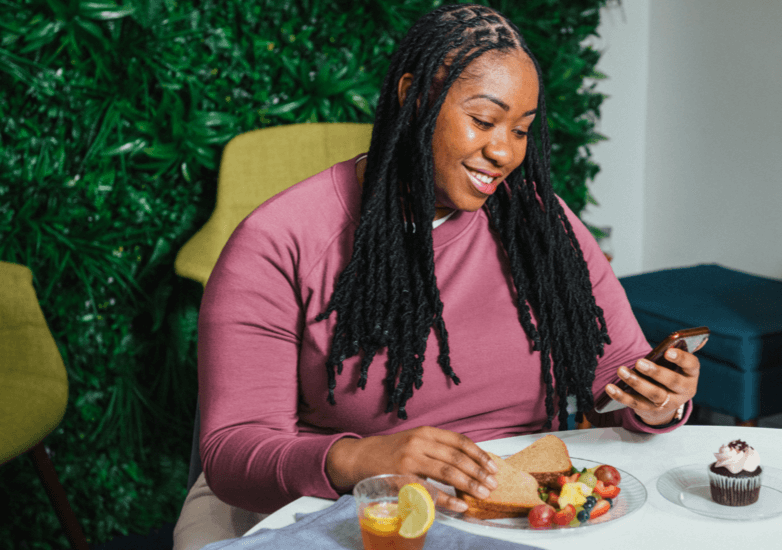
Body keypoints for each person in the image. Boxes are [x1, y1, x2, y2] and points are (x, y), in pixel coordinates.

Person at [173, 4, 701, 548]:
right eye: (483, 121)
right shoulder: (280, 240)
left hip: (519, 516)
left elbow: (614, 370)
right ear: (414, 95)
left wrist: (658, 401)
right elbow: (233, 452)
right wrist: (364, 458)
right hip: (351, 507)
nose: (503, 152)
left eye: (520, 131)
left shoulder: (538, 222)